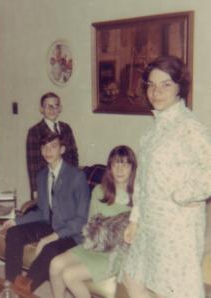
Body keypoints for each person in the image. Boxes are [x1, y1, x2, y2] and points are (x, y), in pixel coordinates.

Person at [123, 56, 211, 298]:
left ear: (179, 87)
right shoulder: (151, 133)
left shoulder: (190, 127)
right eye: (151, 85)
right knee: (133, 277)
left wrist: (183, 194)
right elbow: (141, 181)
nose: (156, 92)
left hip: (177, 226)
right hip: (149, 223)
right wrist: (134, 220)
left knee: (170, 289)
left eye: (165, 85)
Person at [5, 132, 90, 295]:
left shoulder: (77, 176)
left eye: (53, 146)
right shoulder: (42, 175)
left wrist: (51, 237)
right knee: (14, 232)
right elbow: (42, 212)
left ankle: (23, 291)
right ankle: (11, 286)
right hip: (48, 225)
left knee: (50, 248)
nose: (47, 151)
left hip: (71, 233)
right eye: (44, 147)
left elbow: (81, 220)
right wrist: (17, 221)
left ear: (62, 149)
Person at [50, 145, 137, 298]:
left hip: (116, 255)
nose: (120, 169)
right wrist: (92, 240)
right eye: (116, 164)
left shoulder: (138, 196)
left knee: (70, 275)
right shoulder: (99, 190)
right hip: (95, 246)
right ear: (110, 167)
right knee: (55, 264)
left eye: (125, 164)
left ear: (132, 168)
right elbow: (90, 224)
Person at [26, 92, 79, 200]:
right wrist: (35, 189)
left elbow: (74, 155)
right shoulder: (34, 131)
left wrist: (74, 179)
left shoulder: (66, 128)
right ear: (41, 109)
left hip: (67, 180)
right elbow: (32, 164)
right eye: (47, 106)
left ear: (60, 108)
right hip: (46, 182)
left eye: (55, 106)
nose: (52, 109)